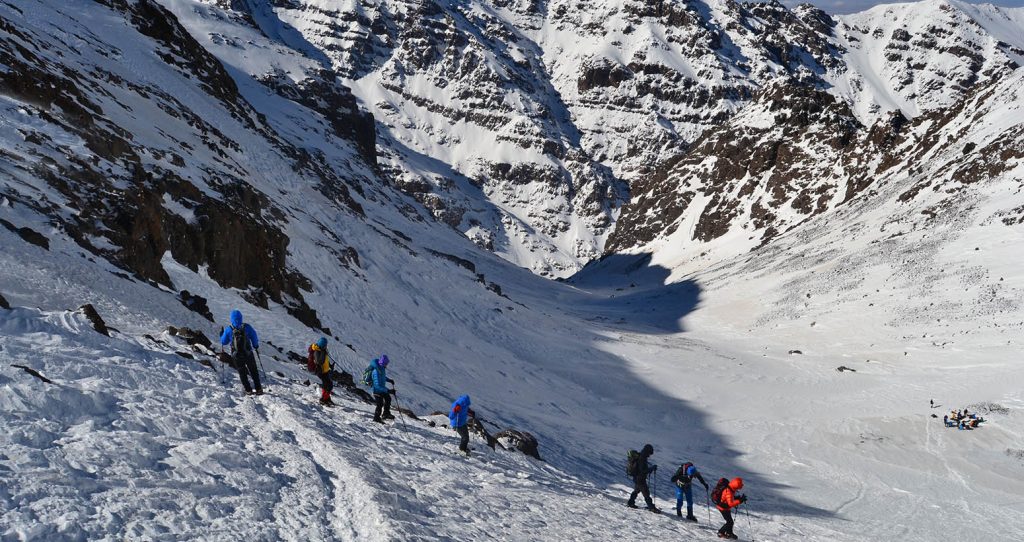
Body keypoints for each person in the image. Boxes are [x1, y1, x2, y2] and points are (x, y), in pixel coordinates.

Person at [219, 309, 262, 395]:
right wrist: (255, 346)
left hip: (236, 355)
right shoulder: (247, 327)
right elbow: (254, 336)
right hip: (248, 353)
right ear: (241, 318)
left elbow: (223, 342)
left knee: (242, 372)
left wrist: (221, 334)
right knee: (253, 370)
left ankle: (248, 390)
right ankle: (258, 389)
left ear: (231, 319)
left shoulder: (229, 329)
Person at [627, 444, 660, 512]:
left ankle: (630, 503)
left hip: (637, 478)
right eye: (650, 453)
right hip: (640, 479)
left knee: (636, 490)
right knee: (646, 493)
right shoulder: (642, 458)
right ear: (648, 451)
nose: (650, 455)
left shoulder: (641, 456)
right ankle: (651, 507)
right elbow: (643, 471)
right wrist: (652, 468)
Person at [366, 355, 395, 423]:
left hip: (382, 389)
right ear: (384, 363)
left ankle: (386, 414)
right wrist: (388, 390)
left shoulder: (381, 368)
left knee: (388, 398)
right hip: (376, 390)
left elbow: (383, 377)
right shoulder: (376, 371)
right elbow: (377, 385)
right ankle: (376, 418)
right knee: (380, 404)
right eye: (386, 363)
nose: (387, 365)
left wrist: (389, 380)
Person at [308, 337, 333, 406]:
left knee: (328, 384)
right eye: (325, 345)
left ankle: (327, 398)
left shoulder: (321, 350)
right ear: (323, 345)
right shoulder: (317, 351)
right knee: (328, 385)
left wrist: (329, 366)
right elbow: (320, 361)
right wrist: (323, 352)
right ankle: (324, 399)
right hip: (321, 371)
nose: (326, 346)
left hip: (325, 370)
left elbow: (324, 361)